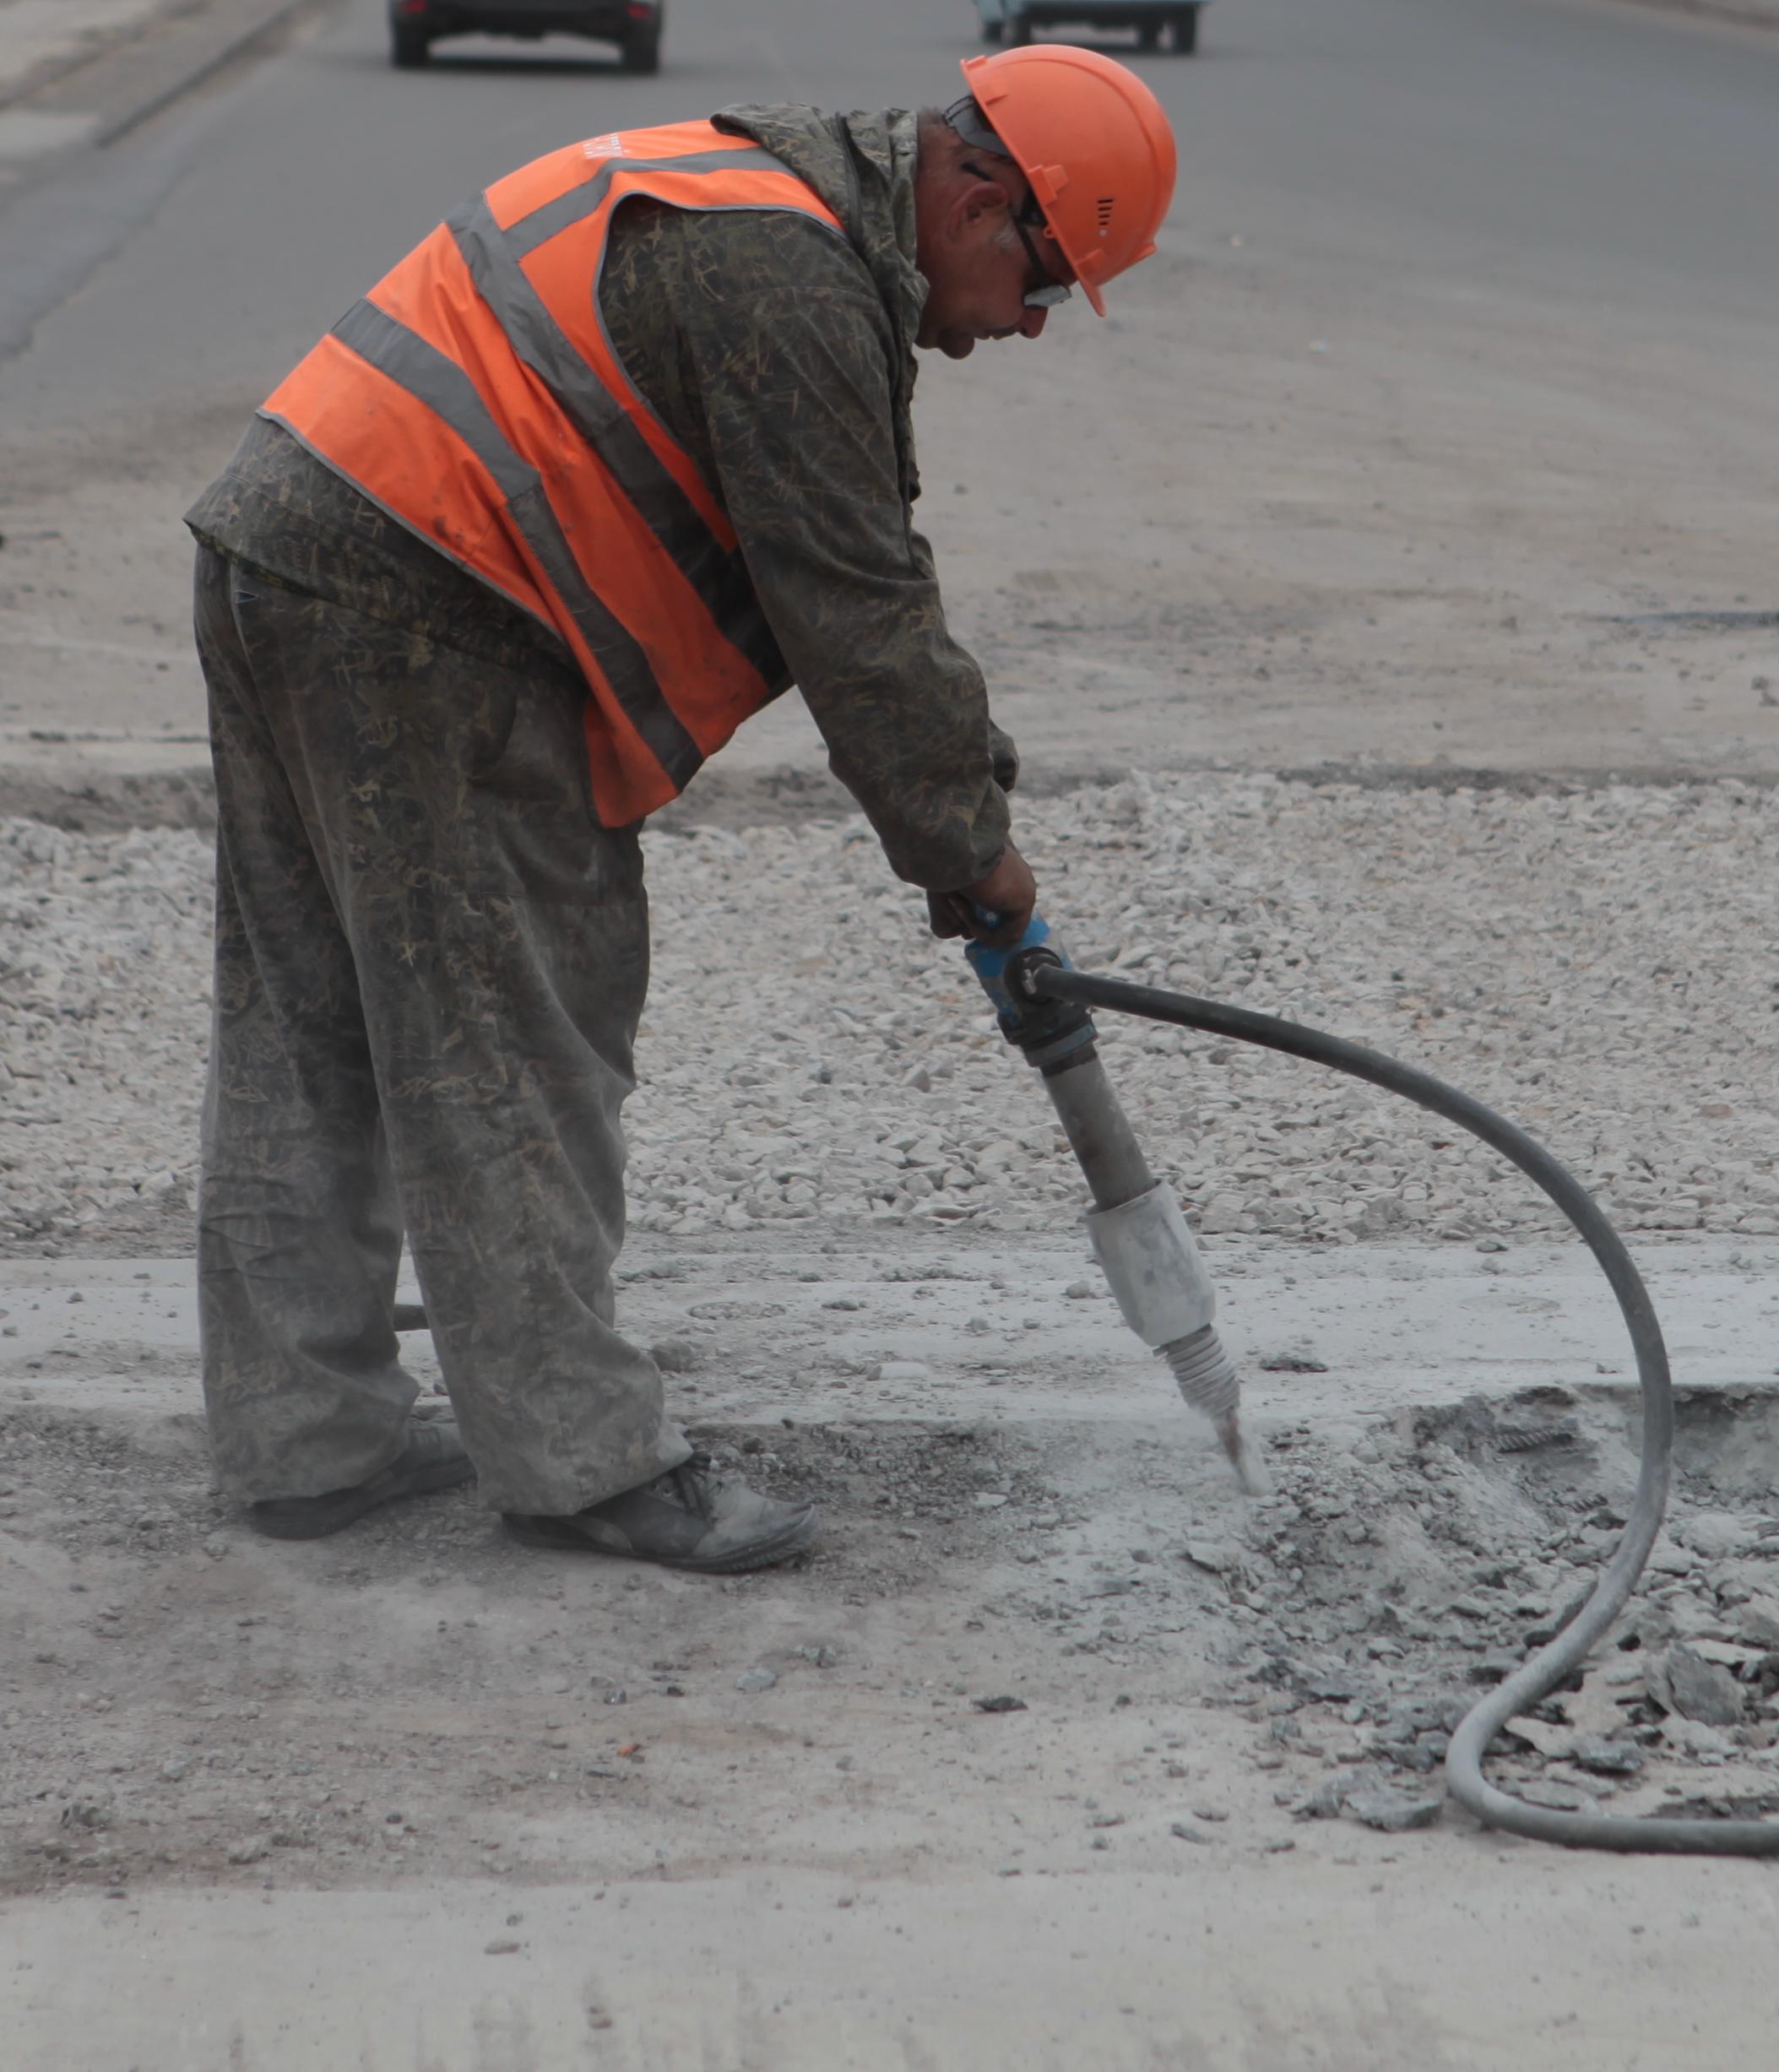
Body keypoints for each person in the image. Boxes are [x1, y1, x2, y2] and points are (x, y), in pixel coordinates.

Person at [179, 46, 1177, 1572]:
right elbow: (855, 611)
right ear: (983, 194)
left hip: (288, 545)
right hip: (426, 605)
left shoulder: (752, 197)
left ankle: (304, 1438)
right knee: (521, 1020)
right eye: (1044, 280)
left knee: (310, 1009)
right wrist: (972, 848)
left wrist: (950, 814)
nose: (1033, 323)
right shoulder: (788, 273)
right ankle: (580, 1456)